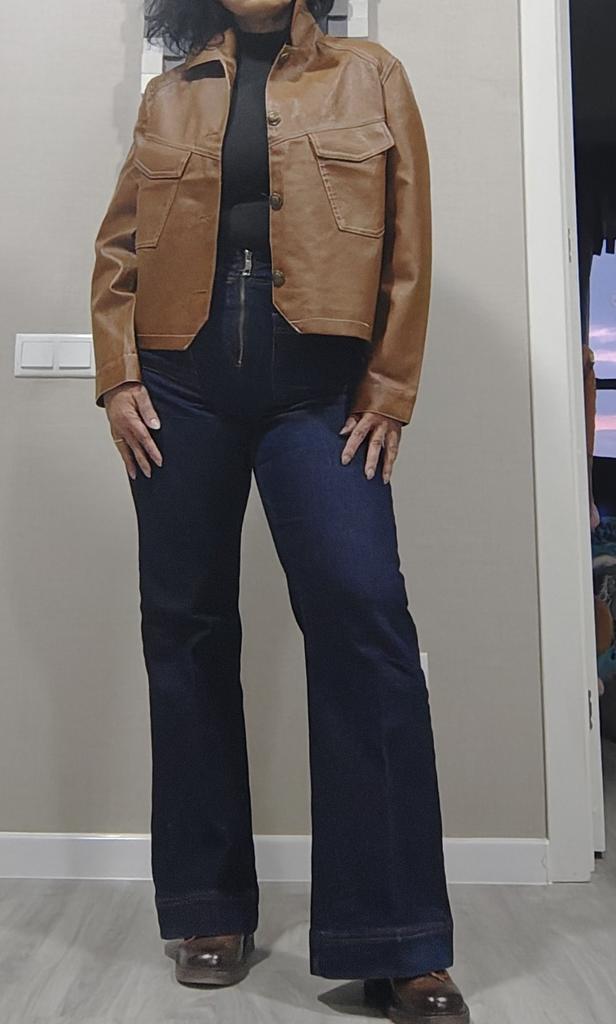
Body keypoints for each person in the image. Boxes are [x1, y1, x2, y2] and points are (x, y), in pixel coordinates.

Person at [90, 1, 470, 1020]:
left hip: (320, 387)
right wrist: (118, 375)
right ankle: (207, 905)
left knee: (364, 619)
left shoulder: (370, 73)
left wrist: (389, 385)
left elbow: (408, 241)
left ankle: (398, 938)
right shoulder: (170, 95)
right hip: (180, 385)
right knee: (185, 629)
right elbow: (120, 248)